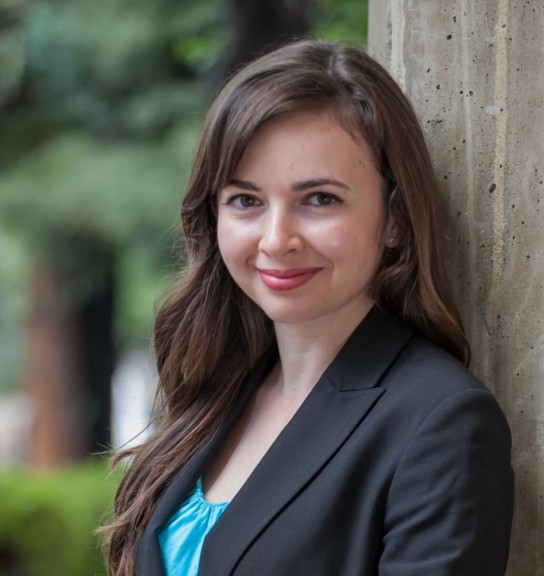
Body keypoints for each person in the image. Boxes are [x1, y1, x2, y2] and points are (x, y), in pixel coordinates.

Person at [104, 40, 514, 576]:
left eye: (320, 199)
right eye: (246, 200)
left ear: (393, 219)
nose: (276, 239)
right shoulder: (219, 390)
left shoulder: (441, 422)